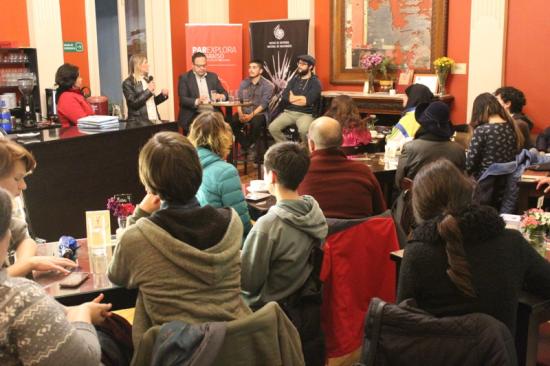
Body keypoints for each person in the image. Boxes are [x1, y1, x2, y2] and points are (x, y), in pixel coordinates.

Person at [108, 131, 250, 347]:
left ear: (149, 185)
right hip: (234, 347)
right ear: (198, 173)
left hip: (176, 352)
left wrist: (138, 214)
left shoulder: (137, 239)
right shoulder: (232, 224)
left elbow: (116, 274)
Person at [397, 159, 550, 335]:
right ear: (468, 191)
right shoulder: (512, 243)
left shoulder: (417, 253)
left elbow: (402, 324)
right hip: (496, 356)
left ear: (420, 207)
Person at [0, 187, 112, 365]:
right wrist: (83, 313)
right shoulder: (20, 298)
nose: (23, 186)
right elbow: (84, 361)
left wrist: (69, 311)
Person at [241, 141, 327, 366]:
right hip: (303, 301)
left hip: (271, 308)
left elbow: (248, 283)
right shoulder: (314, 211)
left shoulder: (268, 225)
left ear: (271, 177)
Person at [0, 139, 77, 277]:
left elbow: (24, 238)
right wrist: (28, 265)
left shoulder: (3, 213)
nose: (23, 186)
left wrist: (24, 263)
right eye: (17, 179)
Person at [298, 116, 386, 219]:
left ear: (311, 144)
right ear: (342, 141)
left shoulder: (299, 173)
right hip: (357, 234)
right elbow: (381, 215)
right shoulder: (363, 172)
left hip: (313, 234)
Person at [188, 112, 252, 235]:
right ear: (223, 137)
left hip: (197, 239)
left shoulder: (185, 164)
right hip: (223, 243)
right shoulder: (226, 172)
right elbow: (241, 224)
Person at [395, 101, 465, 186]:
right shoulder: (459, 150)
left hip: (415, 198)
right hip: (450, 199)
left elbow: (399, 182)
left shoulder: (410, 148)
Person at [466, 92, 524, 180]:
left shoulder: (482, 130)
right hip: (508, 182)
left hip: (484, 182)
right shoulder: (512, 127)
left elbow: (470, 166)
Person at [268, 55, 322, 143]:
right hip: (289, 112)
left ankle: (305, 150)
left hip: (306, 114)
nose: (299, 66)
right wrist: (300, 98)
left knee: (303, 131)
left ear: (310, 66)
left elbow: (308, 101)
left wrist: (293, 98)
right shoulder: (294, 79)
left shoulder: (315, 82)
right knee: (273, 128)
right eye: (299, 63)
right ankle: (287, 147)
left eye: (303, 64)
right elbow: (285, 96)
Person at [230, 59, 274, 157]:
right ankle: (247, 145)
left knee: (256, 122)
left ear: (261, 71)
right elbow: (239, 101)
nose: (251, 70)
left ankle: (247, 146)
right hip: (245, 111)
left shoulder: (268, 85)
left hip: (260, 113)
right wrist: (241, 114)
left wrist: (251, 115)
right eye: (249, 67)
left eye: (254, 67)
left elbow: (264, 104)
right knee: (230, 122)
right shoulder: (244, 83)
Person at [177, 52, 228, 133]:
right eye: (199, 66)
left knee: (225, 126)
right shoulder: (185, 78)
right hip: (194, 114)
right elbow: (183, 99)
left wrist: (221, 96)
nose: (202, 68)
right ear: (193, 66)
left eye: (204, 65)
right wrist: (197, 101)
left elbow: (225, 93)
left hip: (212, 113)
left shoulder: (213, 76)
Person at [122, 54, 168, 123]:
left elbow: (151, 102)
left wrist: (163, 95)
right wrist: (148, 91)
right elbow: (133, 104)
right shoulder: (128, 83)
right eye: (145, 62)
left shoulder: (146, 80)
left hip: (154, 120)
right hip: (139, 124)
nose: (148, 65)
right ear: (138, 65)